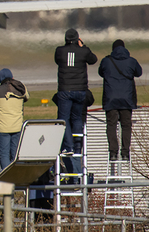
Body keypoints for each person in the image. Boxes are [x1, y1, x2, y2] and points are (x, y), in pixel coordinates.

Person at [54, 28, 97, 174]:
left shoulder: (59, 51)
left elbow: (57, 60)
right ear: (78, 39)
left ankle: (68, 146)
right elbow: (93, 59)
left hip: (65, 90)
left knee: (63, 119)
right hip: (80, 90)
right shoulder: (83, 51)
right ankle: (77, 145)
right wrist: (83, 46)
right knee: (77, 118)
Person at [99, 39, 143, 161]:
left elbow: (101, 73)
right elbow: (139, 73)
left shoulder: (106, 61)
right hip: (127, 99)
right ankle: (125, 152)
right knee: (126, 125)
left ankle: (113, 152)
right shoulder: (131, 61)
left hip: (111, 99)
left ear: (113, 49)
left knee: (111, 125)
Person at [0, 68, 29, 171]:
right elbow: (27, 97)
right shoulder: (21, 88)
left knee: (4, 154)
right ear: (12, 77)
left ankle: (8, 178)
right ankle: (16, 178)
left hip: (2, 128)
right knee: (15, 154)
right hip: (17, 127)